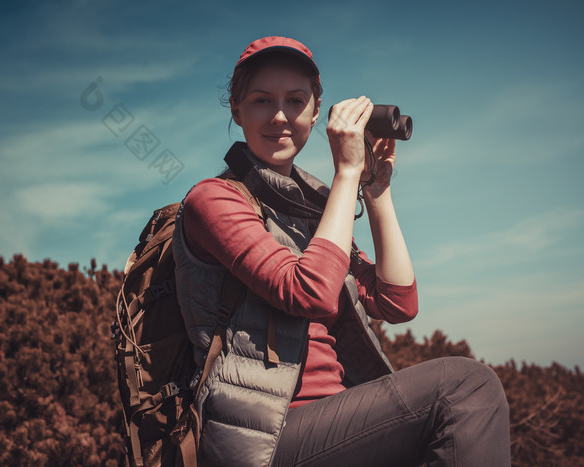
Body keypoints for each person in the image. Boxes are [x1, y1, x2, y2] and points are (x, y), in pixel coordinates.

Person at [172, 36, 510, 467]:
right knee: (467, 386)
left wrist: (375, 190)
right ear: (236, 111)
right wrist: (347, 173)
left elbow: (396, 301)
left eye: (296, 100)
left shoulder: (312, 211)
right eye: (261, 101)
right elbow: (306, 292)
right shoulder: (214, 200)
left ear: (316, 113)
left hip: (332, 422)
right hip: (264, 441)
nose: (280, 115)